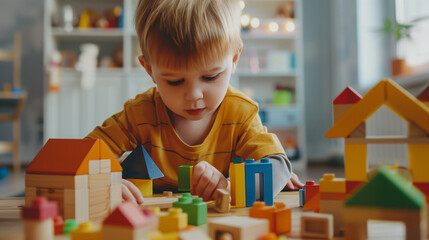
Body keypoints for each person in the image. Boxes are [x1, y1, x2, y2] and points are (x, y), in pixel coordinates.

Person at [86, 0, 303, 205]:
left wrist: (231, 186)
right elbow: (81, 156)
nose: (194, 95)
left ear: (234, 59)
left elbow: (278, 167)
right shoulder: (140, 113)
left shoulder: (241, 112)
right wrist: (105, 182)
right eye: (175, 81)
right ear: (150, 69)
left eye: (210, 77)